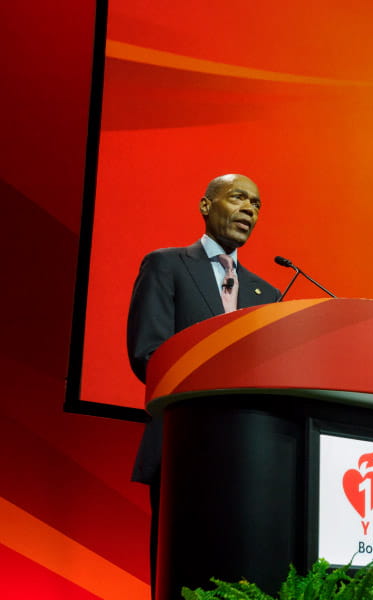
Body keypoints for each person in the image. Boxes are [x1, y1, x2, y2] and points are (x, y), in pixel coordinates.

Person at [126, 173, 280, 596]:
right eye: (238, 198)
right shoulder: (167, 265)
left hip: (253, 457)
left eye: (257, 204)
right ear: (206, 206)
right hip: (184, 443)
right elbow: (149, 352)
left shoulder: (267, 294)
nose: (249, 209)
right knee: (185, 573)